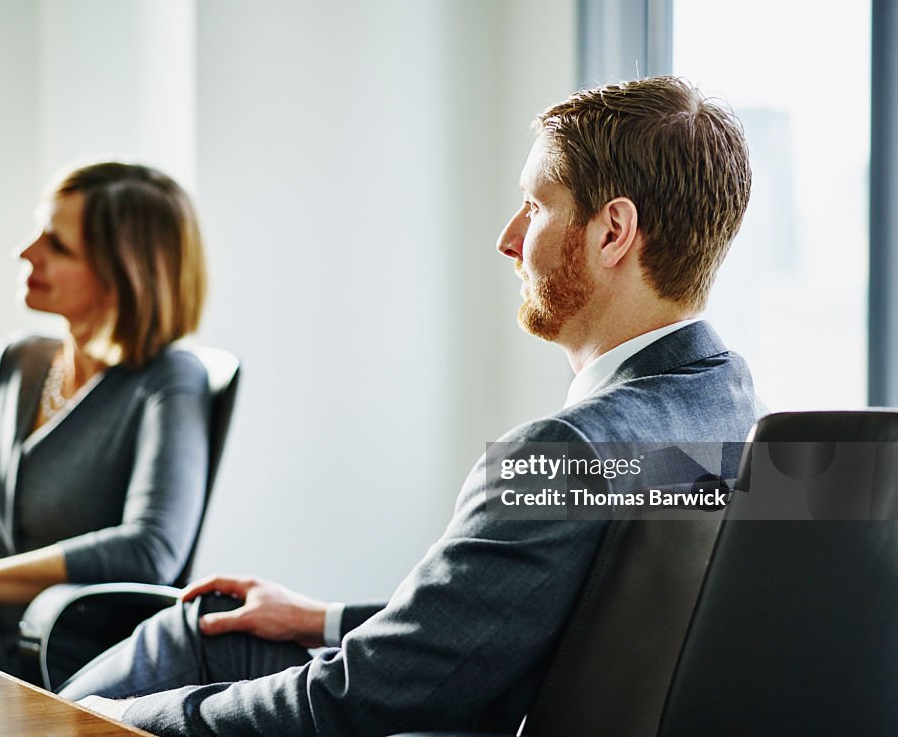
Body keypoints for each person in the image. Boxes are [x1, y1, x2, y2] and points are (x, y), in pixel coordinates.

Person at [66, 76, 762, 735]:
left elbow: (360, 699)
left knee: (192, 632)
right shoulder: (731, 405)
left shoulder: (564, 454)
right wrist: (323, 619)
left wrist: (124, 721)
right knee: (231, 618)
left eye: (537, 204)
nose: (510, 238)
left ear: (613, 232)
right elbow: (544, 620)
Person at [0, 161, 211, 673]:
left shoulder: (169, 380)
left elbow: (150, 548)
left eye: (57, 244)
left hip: (34, 658)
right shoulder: (18, 361)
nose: (25, 251)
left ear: (122, 273)